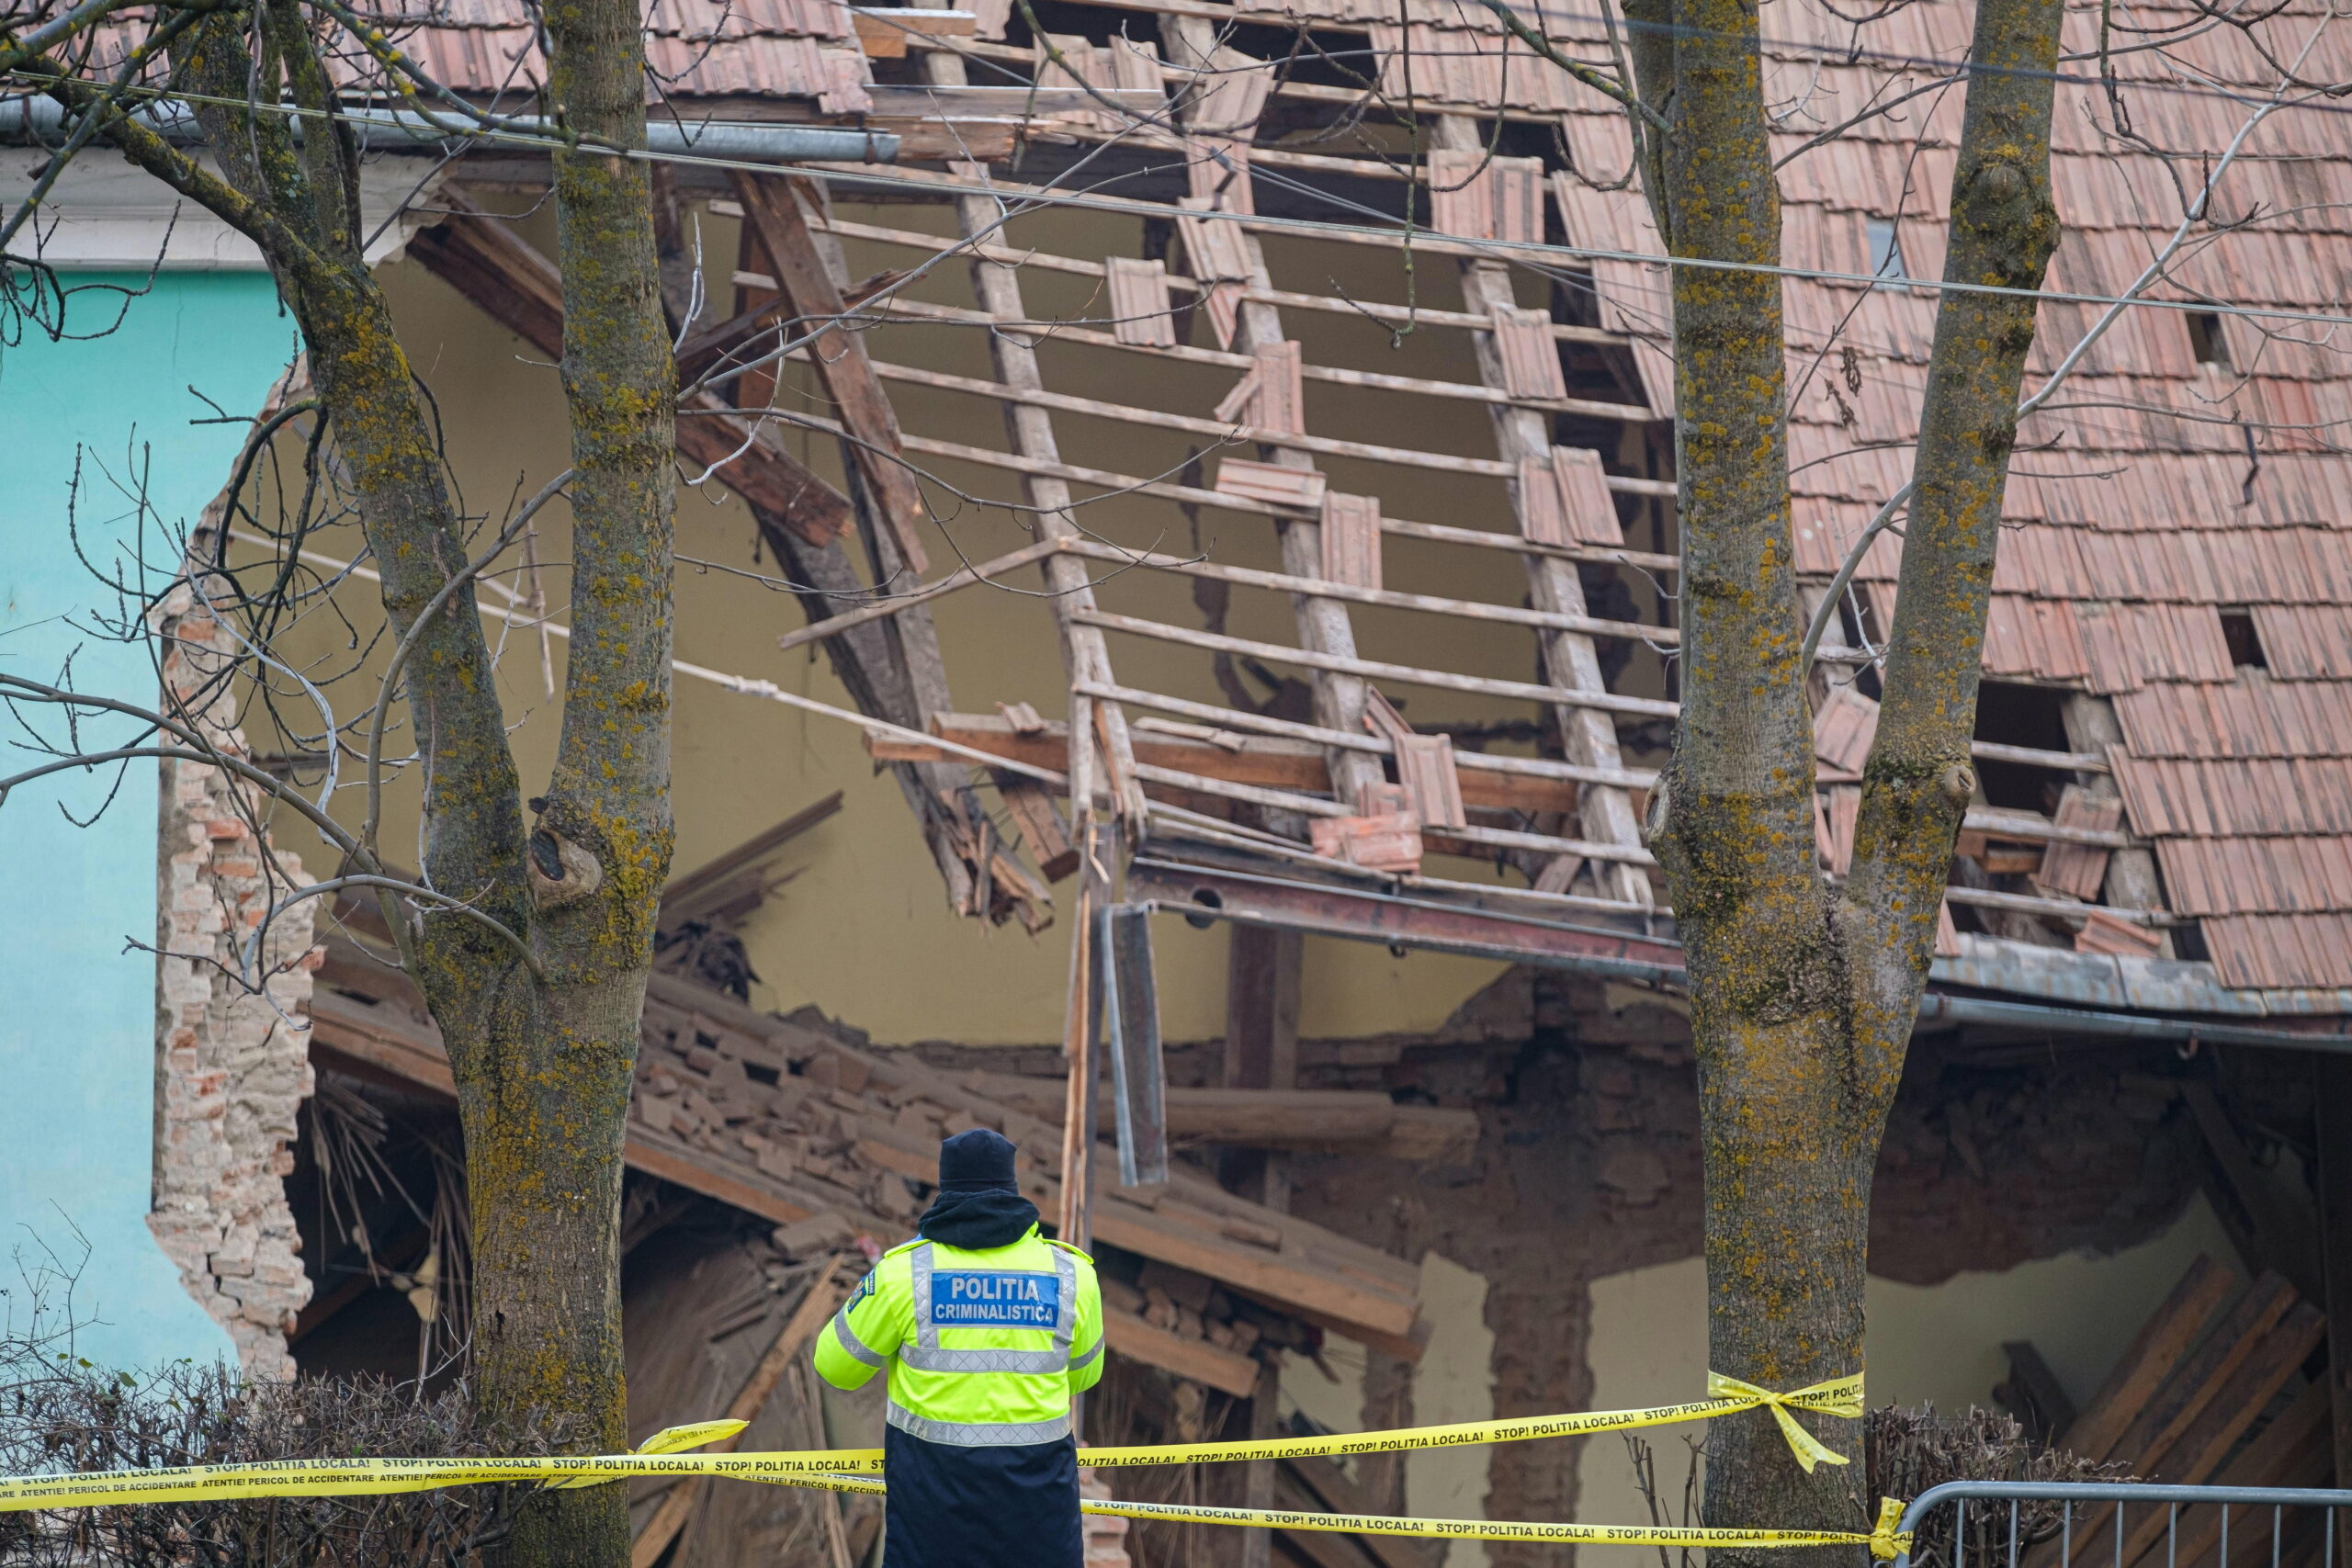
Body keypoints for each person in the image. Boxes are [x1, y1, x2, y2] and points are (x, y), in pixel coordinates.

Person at [814, 1127, 1104, 1568]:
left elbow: (835, 1367)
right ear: (1012, 1188)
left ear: (944, 1188)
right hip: (1039, 1527)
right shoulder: (1073, 1275)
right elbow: (1083, 1376)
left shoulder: (903, 1274)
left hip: (932, 1529)